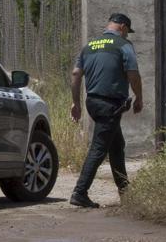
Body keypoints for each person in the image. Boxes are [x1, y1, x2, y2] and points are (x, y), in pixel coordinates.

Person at [69, 13, 143, 208]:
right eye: (127, 32)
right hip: (110, 105)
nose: (127, 36)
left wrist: (75, 103)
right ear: (123, 27)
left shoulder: (89, 46)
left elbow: (76, 73)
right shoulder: (124, 45)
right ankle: (79, 192)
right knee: (99, 148)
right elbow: (133, 74)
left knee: (116, 145)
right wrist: (139, 98)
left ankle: (126, 193)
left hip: (92, 103)